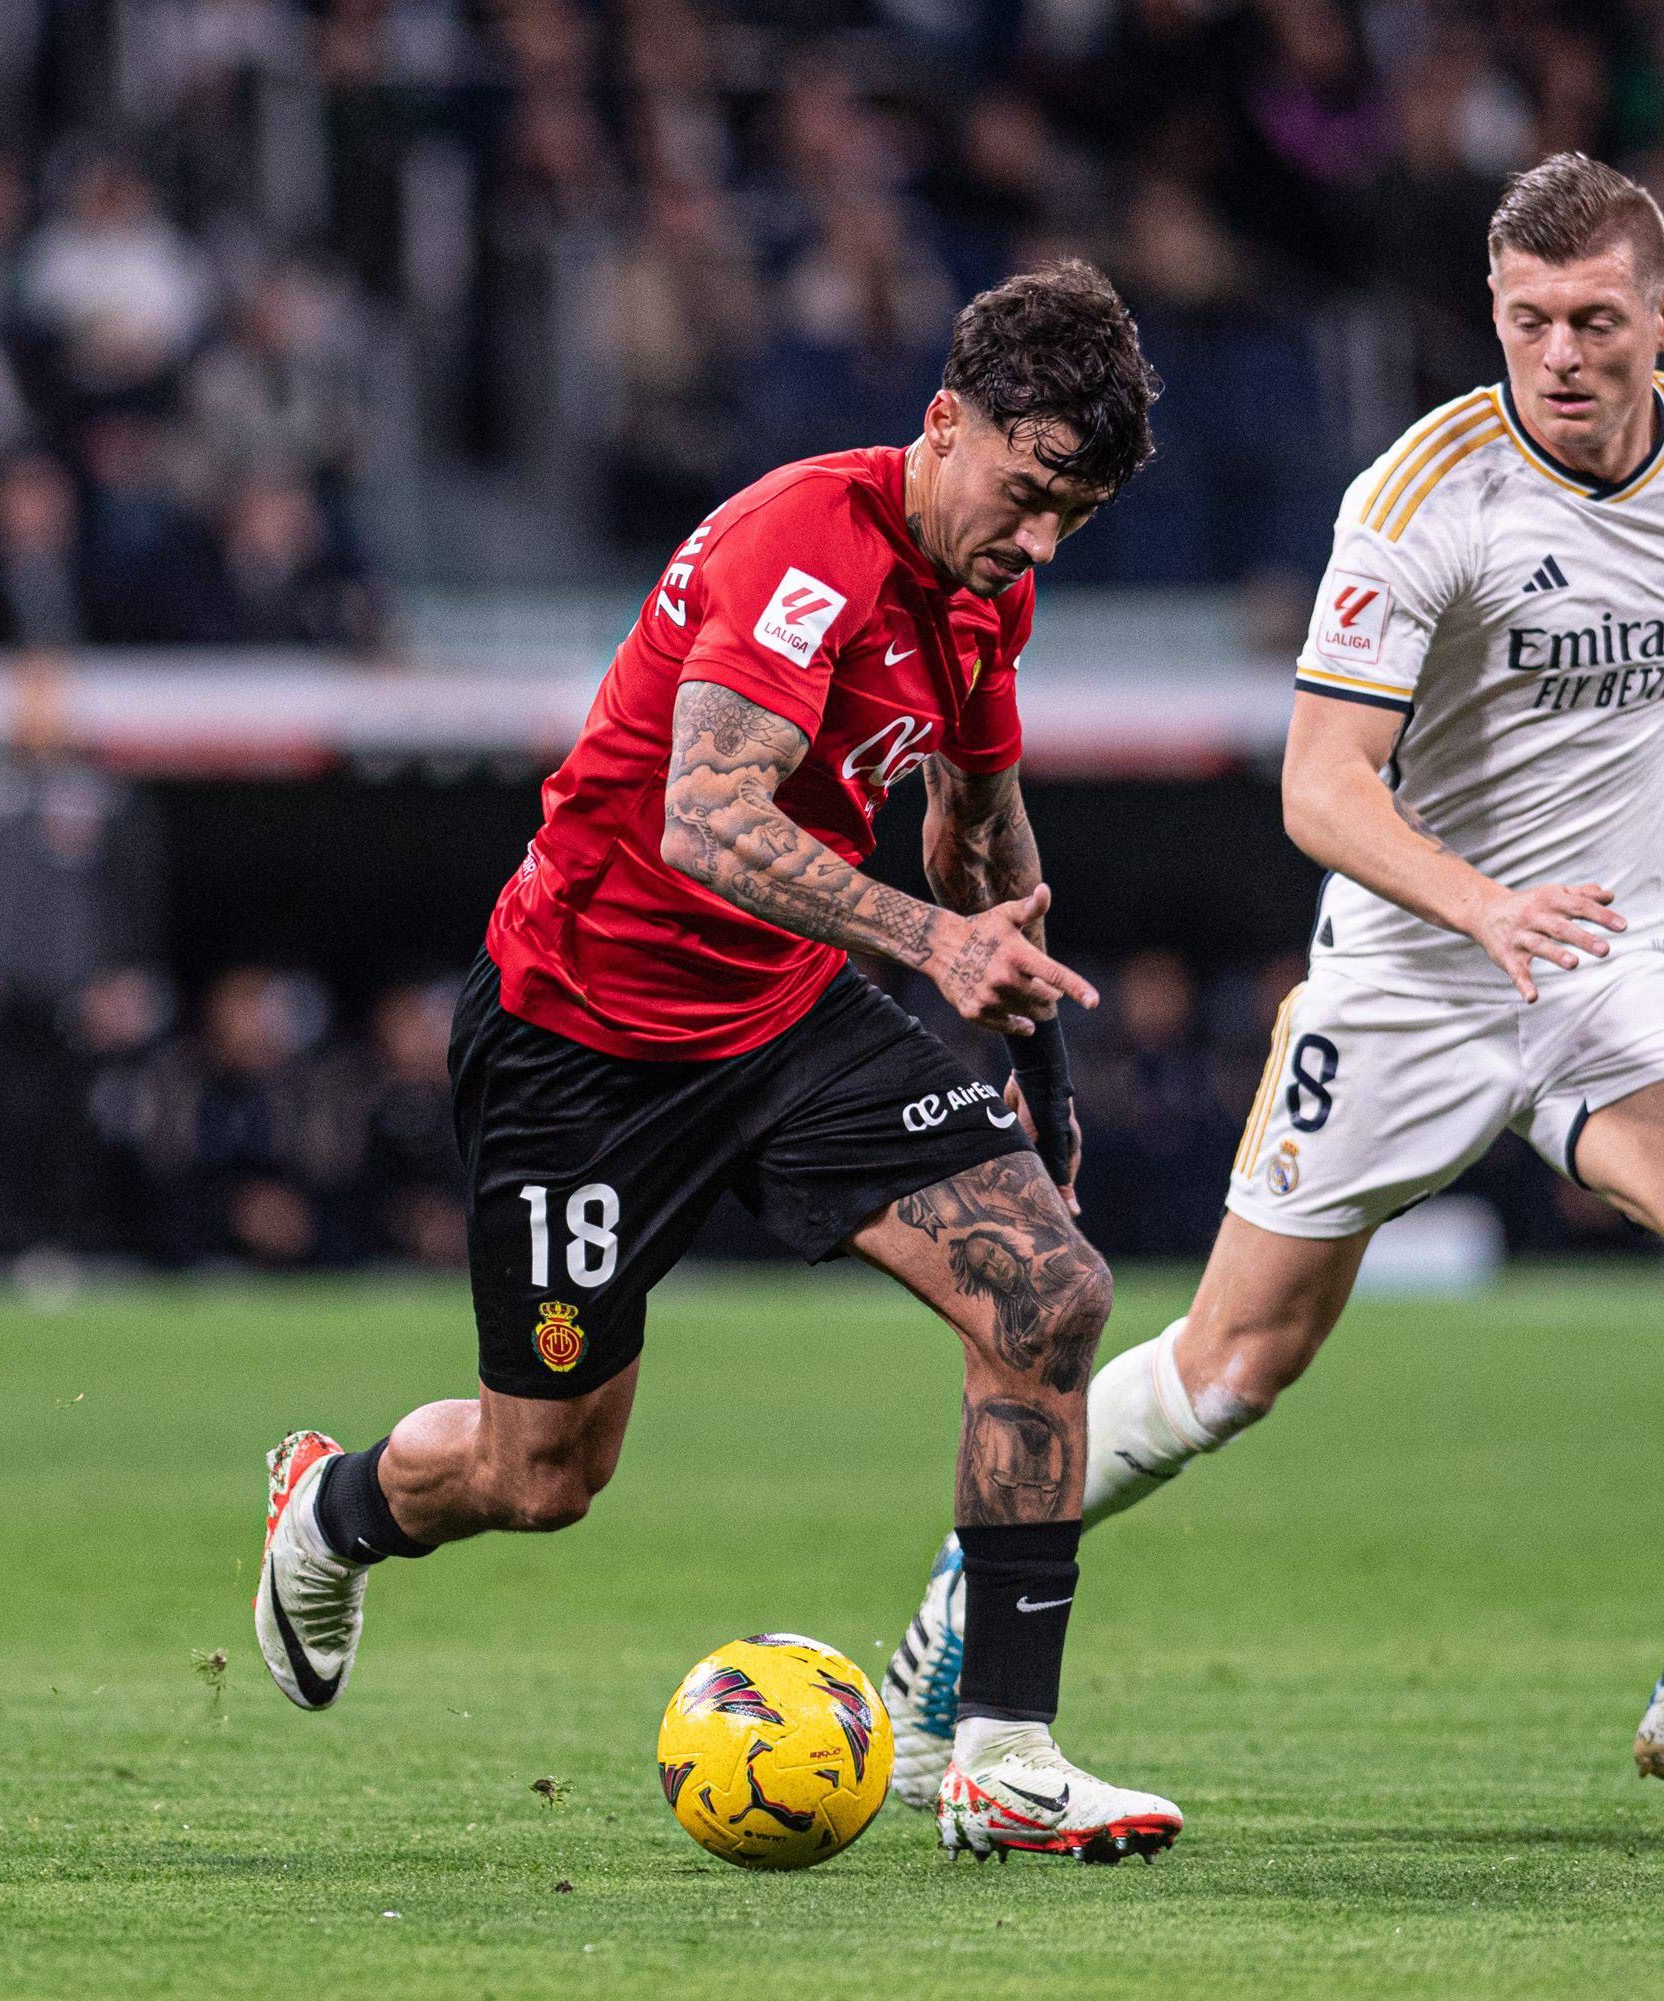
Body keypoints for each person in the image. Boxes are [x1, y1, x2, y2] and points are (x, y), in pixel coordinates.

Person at [881, 155, 1664, 1806]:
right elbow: (1320, 788)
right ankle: (950, 1624)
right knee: (1228, 1371)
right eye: (1529, 319)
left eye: (1597, 321)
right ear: (1494, 313)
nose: (1559, 353)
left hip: (1606, 958)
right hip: (1410, 972)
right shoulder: (1424, 500)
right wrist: (1478, 907)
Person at [252, 263, 1188, 1864]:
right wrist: (930, 942)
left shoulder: (985, 589)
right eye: (1030, 496)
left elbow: (975, 829)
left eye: (1075, 518)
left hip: (789, 1014)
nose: (1041, 541)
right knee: (541, 1476)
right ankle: (330, 1512)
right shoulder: (798, 548)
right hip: (585, 1039)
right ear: (944, 424)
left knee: (1051, 1290)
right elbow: (705, 821)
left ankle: (1002, 1758)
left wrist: (1033, 1046)